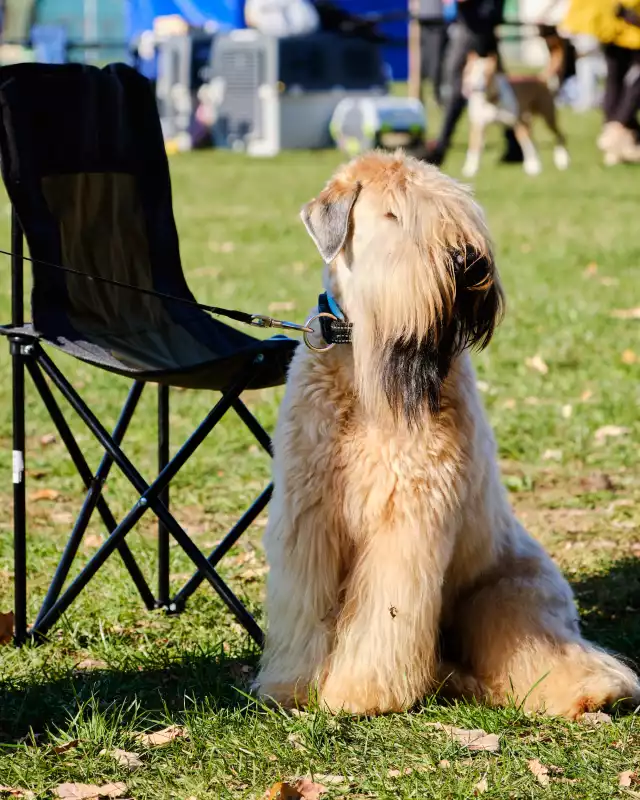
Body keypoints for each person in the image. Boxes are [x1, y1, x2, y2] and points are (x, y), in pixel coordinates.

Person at [423, 0, 508, 166]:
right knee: (498, 85)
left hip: (474, 23)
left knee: (458, 84)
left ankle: (440, 147)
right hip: (483, 20)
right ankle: (515, 144)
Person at [561, 0, 640, 162]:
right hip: (621, 25)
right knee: (622, 80)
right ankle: (617, 129)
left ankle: (614, 133)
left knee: (616, 80)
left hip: (614, 24)